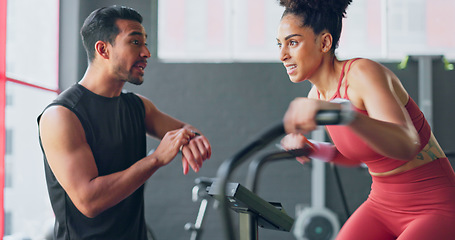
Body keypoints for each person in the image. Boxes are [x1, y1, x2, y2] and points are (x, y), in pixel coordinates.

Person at [277, 0, 455, 239]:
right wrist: (312, 149)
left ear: (325, 42)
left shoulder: (361, 73)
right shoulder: (317, 96)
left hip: (433, 204)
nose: (282, 55)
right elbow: (362, 154)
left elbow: (406, 145)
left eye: (293, 42)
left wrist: (345, 115)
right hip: (381, 203)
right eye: (279, 44)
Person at [37, 5, 211, 239]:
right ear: (103, 49)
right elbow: (89, 201)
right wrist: (156, 159)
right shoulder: (62, 116)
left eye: (145, 43)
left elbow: (185, 131)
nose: (147, 52)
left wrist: (192, 139)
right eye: (135, 42)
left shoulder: (138, 107)